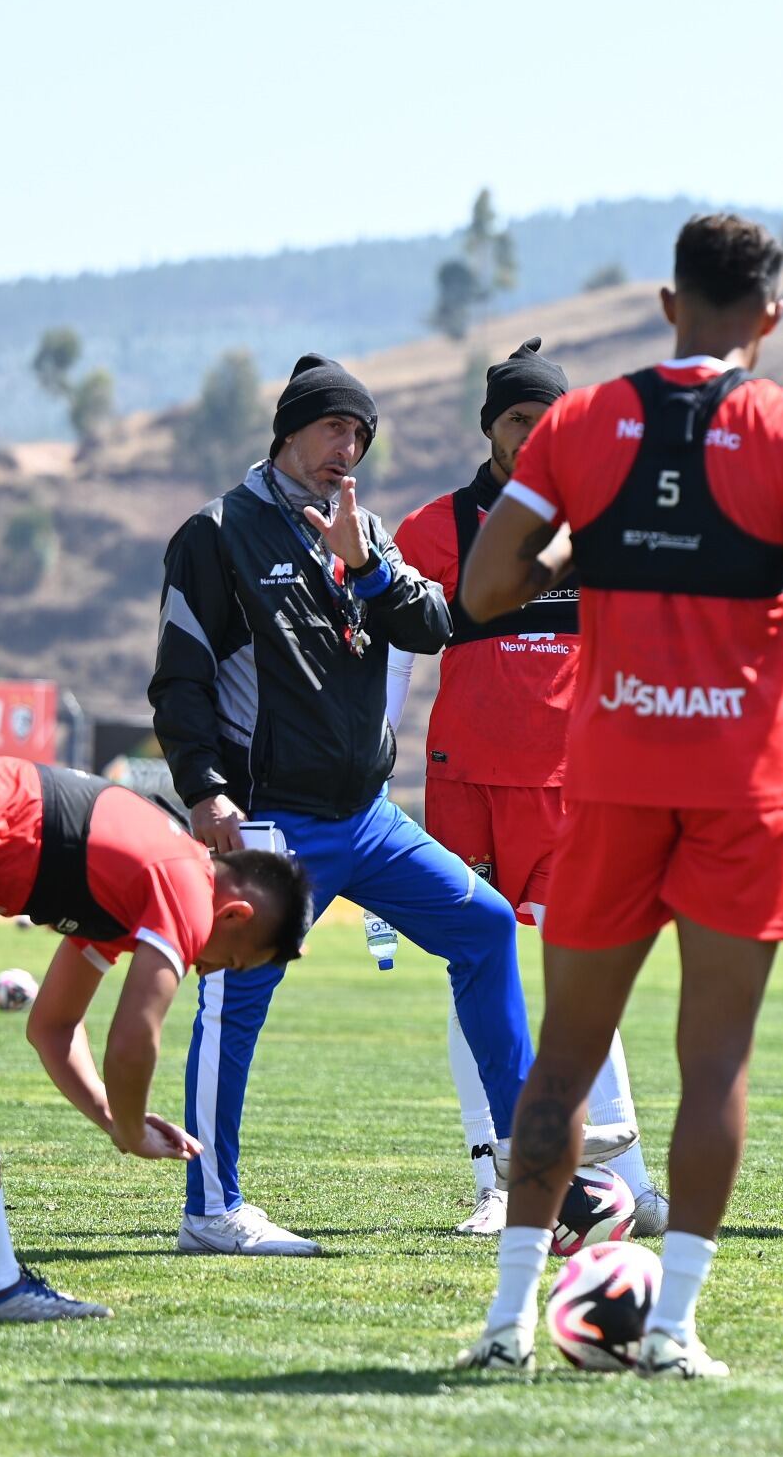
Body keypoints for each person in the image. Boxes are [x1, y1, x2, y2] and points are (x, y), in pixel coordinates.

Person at [452, 213, 783, 1376]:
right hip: (743, 789)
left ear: (664, 304)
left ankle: (501, 1328)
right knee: (714, 1064)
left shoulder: (585, 420)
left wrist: (584, 547)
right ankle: (674, 1327)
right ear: (770, 317)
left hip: (609, 778)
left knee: (562, 1056)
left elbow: (486, 587)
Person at [149, 354, 632, 1257]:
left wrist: (366, 564)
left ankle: (532, 1166)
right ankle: (211, 1208)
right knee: (233, 1000)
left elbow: (431, 623)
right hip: (271, 819)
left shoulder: (362, 528)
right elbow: (179, 683)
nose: (349, 448)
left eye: (361, 435)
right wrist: (205, 790)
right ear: (290, 430)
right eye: (335, 428)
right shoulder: (217, 534)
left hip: (366, 818)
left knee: (485, 929)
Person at [390, 337, 667, 1238]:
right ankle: (496, 1183)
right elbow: (393, 656)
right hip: (465, 785)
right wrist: (371, 764)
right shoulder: (434, 530)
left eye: (550, 416)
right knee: (480, 972)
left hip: (576, 790)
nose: (535, 431)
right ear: (491, 428)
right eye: (519, 417)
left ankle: (626, 1180)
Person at [0, 753, 311, 1322]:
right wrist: (129, 1130)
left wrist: (112, 1118)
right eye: (238, 962)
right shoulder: (187, 884)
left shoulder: (136, 885)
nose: (214, 970)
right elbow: (133, 1038)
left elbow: (51, 1027)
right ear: (234, 916)